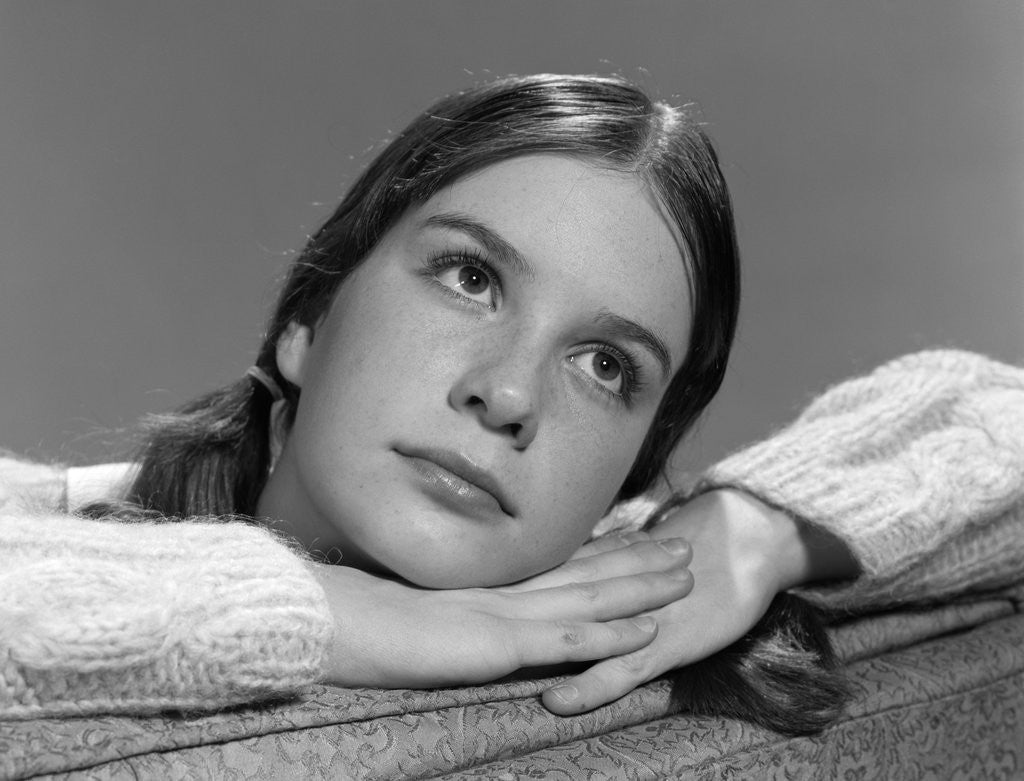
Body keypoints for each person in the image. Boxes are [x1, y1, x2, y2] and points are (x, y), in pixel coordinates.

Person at [2, 75, 1022, 729]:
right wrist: (308, 611)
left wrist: (762, 526)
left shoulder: (611, 599)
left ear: (626, 470)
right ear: (306, 321)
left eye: (604, 366)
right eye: (470, 278)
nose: (506, 395)